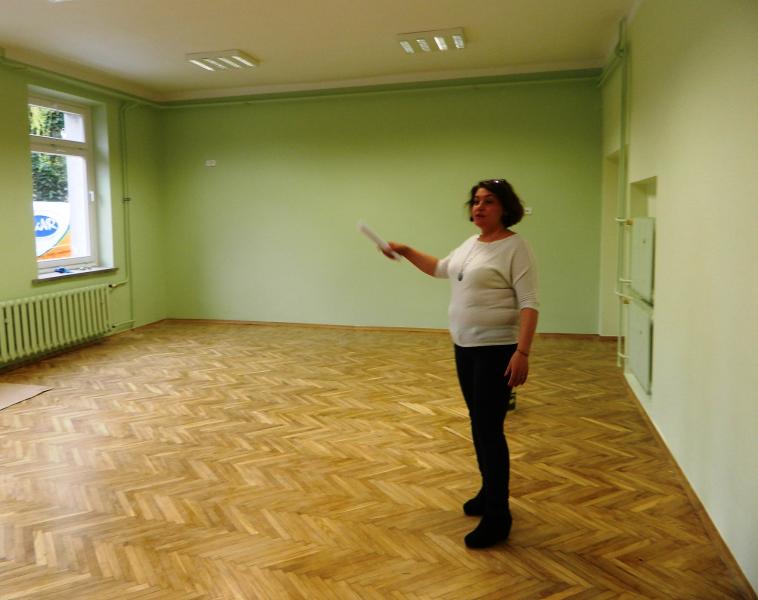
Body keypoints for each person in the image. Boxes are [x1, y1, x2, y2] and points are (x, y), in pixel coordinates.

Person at [383, 178, 539, 549]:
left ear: (506, 208)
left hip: (497, 350)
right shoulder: (471, 244)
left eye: (488, 201)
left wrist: (522, 352)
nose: (479, 207)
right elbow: (440, 268)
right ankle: (488, 492)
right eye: (476, 201)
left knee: (490, 429)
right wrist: (405, 250)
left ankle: (499, 516)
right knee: (479, 423)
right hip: (465, 347)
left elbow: (529, 303)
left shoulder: (515, 248)